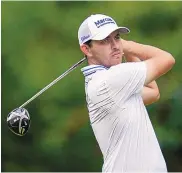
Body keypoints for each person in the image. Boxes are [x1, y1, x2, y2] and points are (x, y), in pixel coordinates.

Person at [78, 14, 175, 172]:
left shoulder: (109, 81)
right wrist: (128, 46)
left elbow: (153, 92)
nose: (115, 45)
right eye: (105, 40)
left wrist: (125, 51)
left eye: (117, 38)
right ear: (86, 49)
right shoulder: (109, 79)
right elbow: (167, 59)